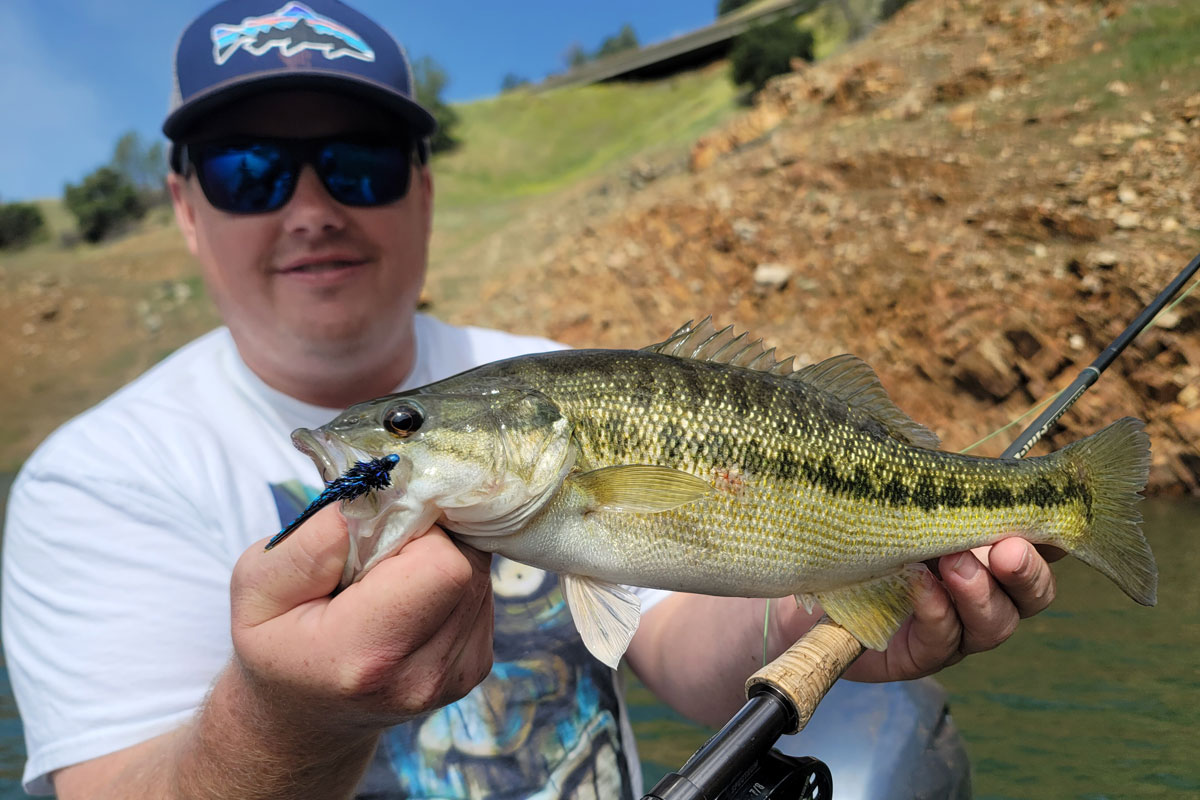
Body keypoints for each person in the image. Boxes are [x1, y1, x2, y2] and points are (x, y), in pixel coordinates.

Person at [0, 1, 1059, 797]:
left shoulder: (547, 368)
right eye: (248, 169)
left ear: (423, 183)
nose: (311, 206)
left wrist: (822, 602)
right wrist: (284, 718)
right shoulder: (94, 480)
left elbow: (685, 627)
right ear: (184, 205)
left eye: (360, 164)